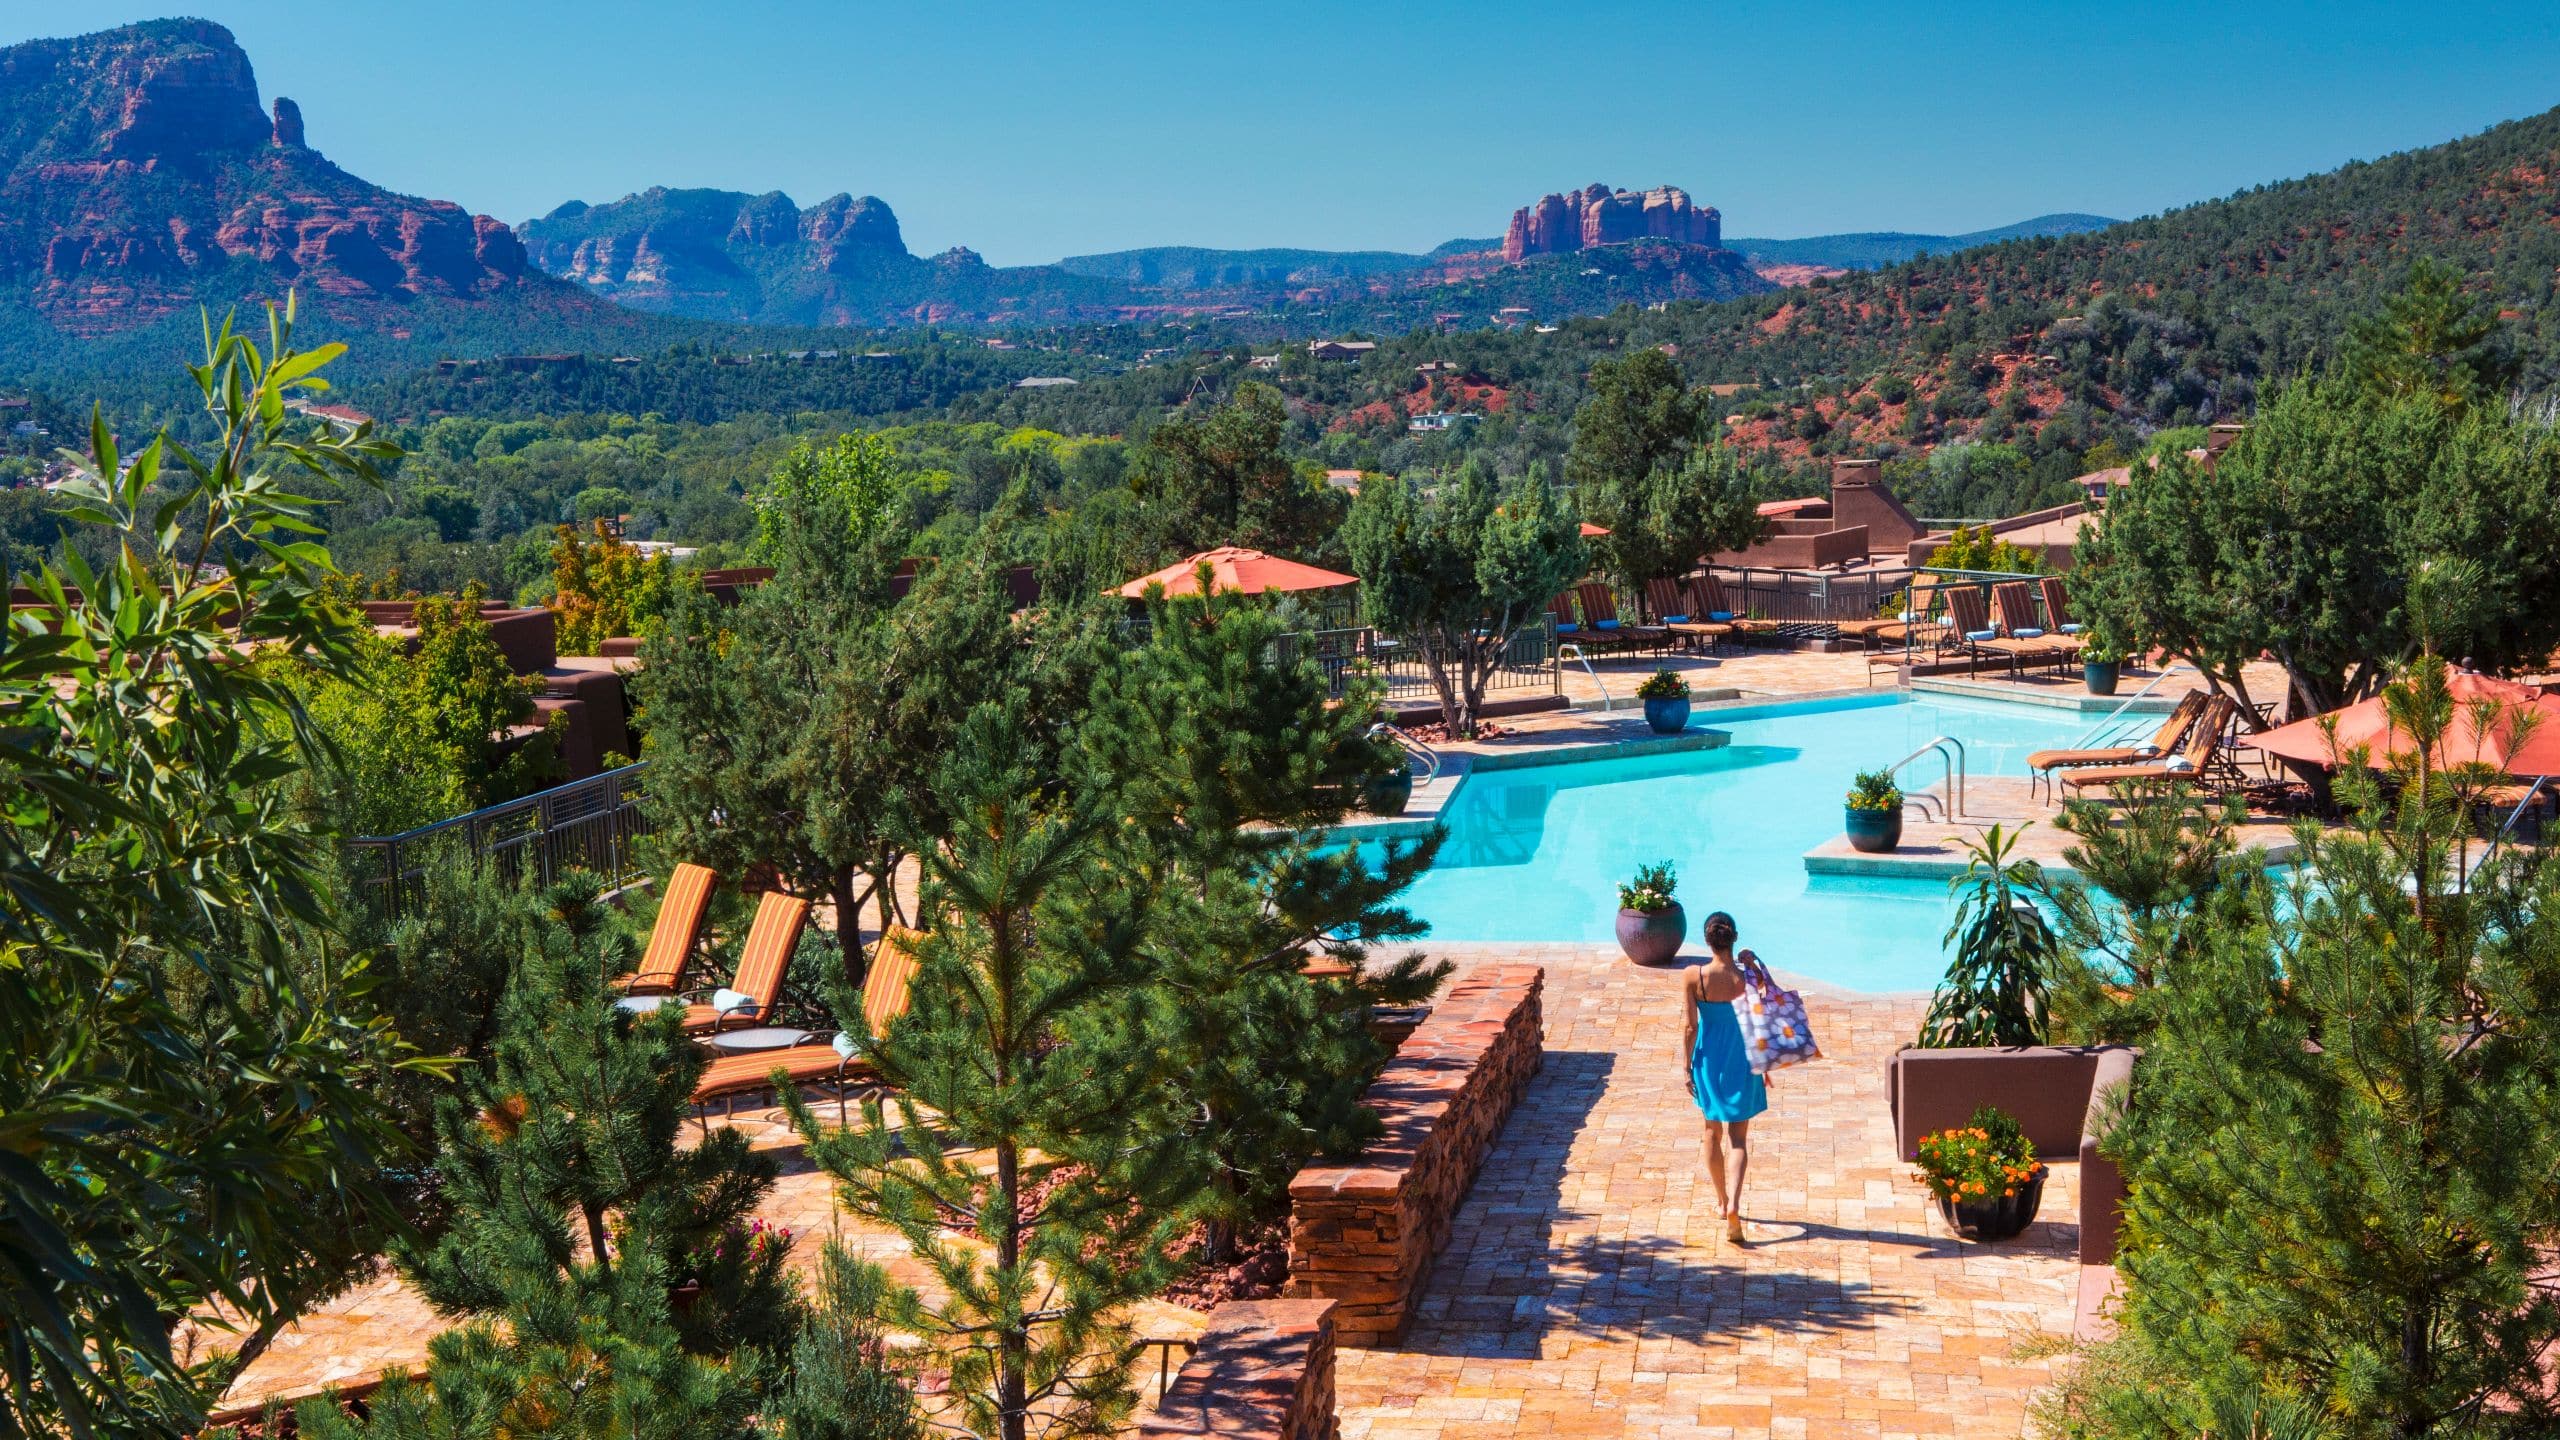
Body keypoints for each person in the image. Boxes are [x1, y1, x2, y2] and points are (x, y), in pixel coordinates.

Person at [1683, 910, 1769, 1247]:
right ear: (1734, 938)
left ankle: (1721, 1202)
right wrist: (1753, 962)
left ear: (1707, 940)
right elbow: (1764, 1012)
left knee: (1711, 1132)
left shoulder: (1694, 976)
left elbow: (1690, 1027)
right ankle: (1734, 1203)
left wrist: (1686, 1065)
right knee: (1738, 1139)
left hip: (1709, 1060)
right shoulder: (1747, 977)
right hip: (1743, 1059)